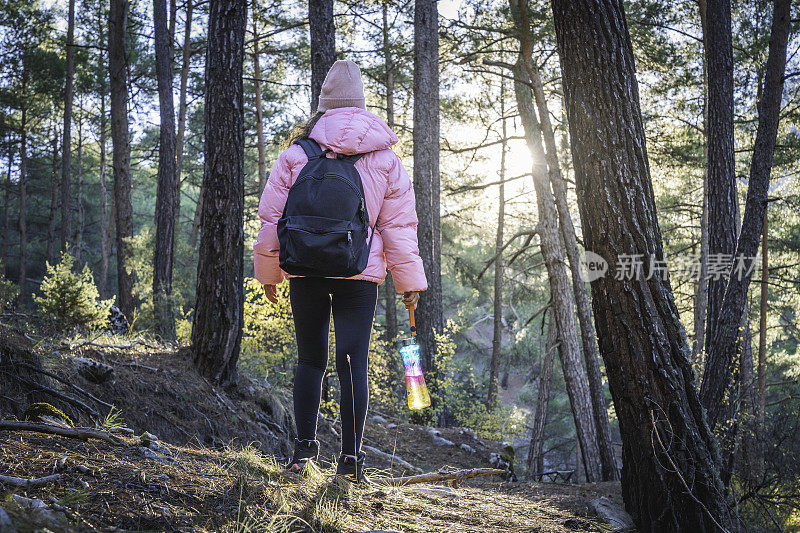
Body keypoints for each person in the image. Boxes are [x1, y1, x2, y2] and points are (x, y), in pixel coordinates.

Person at [253, 60, 427, 482]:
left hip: (305, 269)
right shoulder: (385, 159)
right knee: (353, 363)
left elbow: (272, 219)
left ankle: (303, 453)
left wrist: (269, 274)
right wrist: (410, 283)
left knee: (310, 360)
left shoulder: (297, 154)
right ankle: (350, 461)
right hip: (359, 273)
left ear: (323, 104)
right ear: (362, 104)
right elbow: (398, 227)